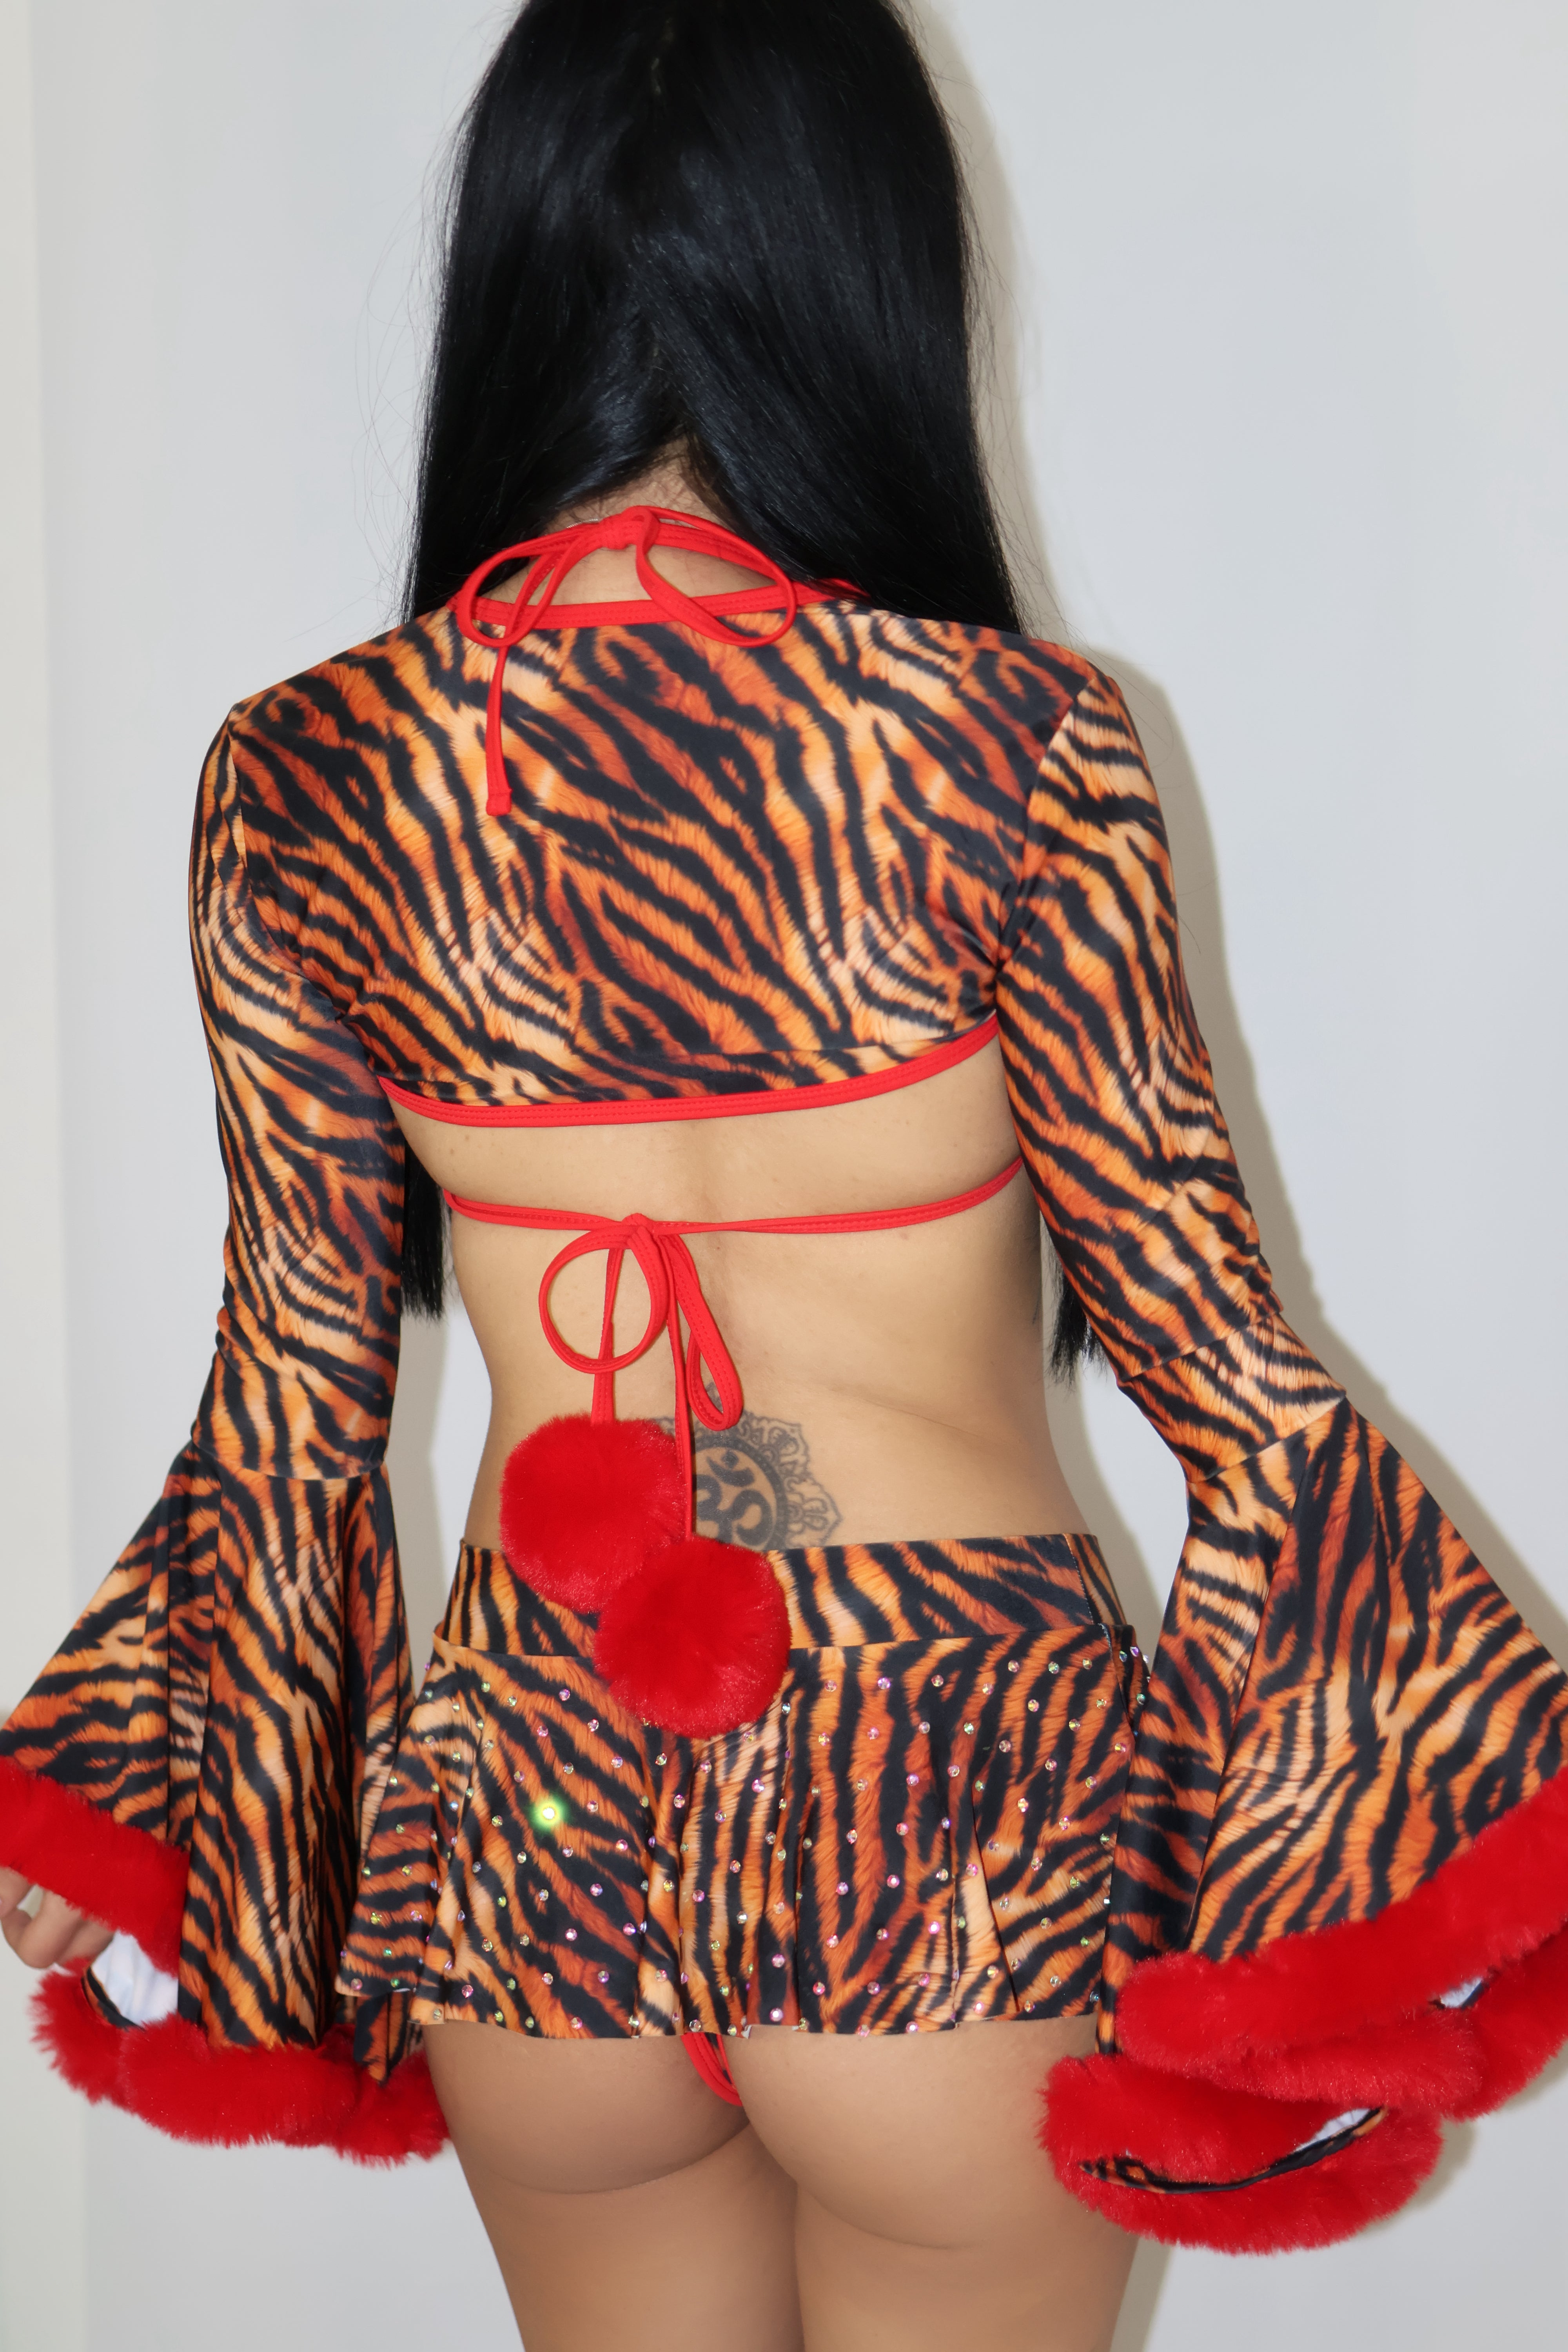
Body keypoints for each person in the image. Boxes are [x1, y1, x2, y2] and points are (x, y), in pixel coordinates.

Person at [4, 2, 1567, 2347]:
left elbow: (294, 1395)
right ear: (872, 275)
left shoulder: (306, 776)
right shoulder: (1017, 747)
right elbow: (1223, 1363)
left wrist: (131, 1772)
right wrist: (1432, 1799)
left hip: (531, 1796)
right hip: (959, 1783)